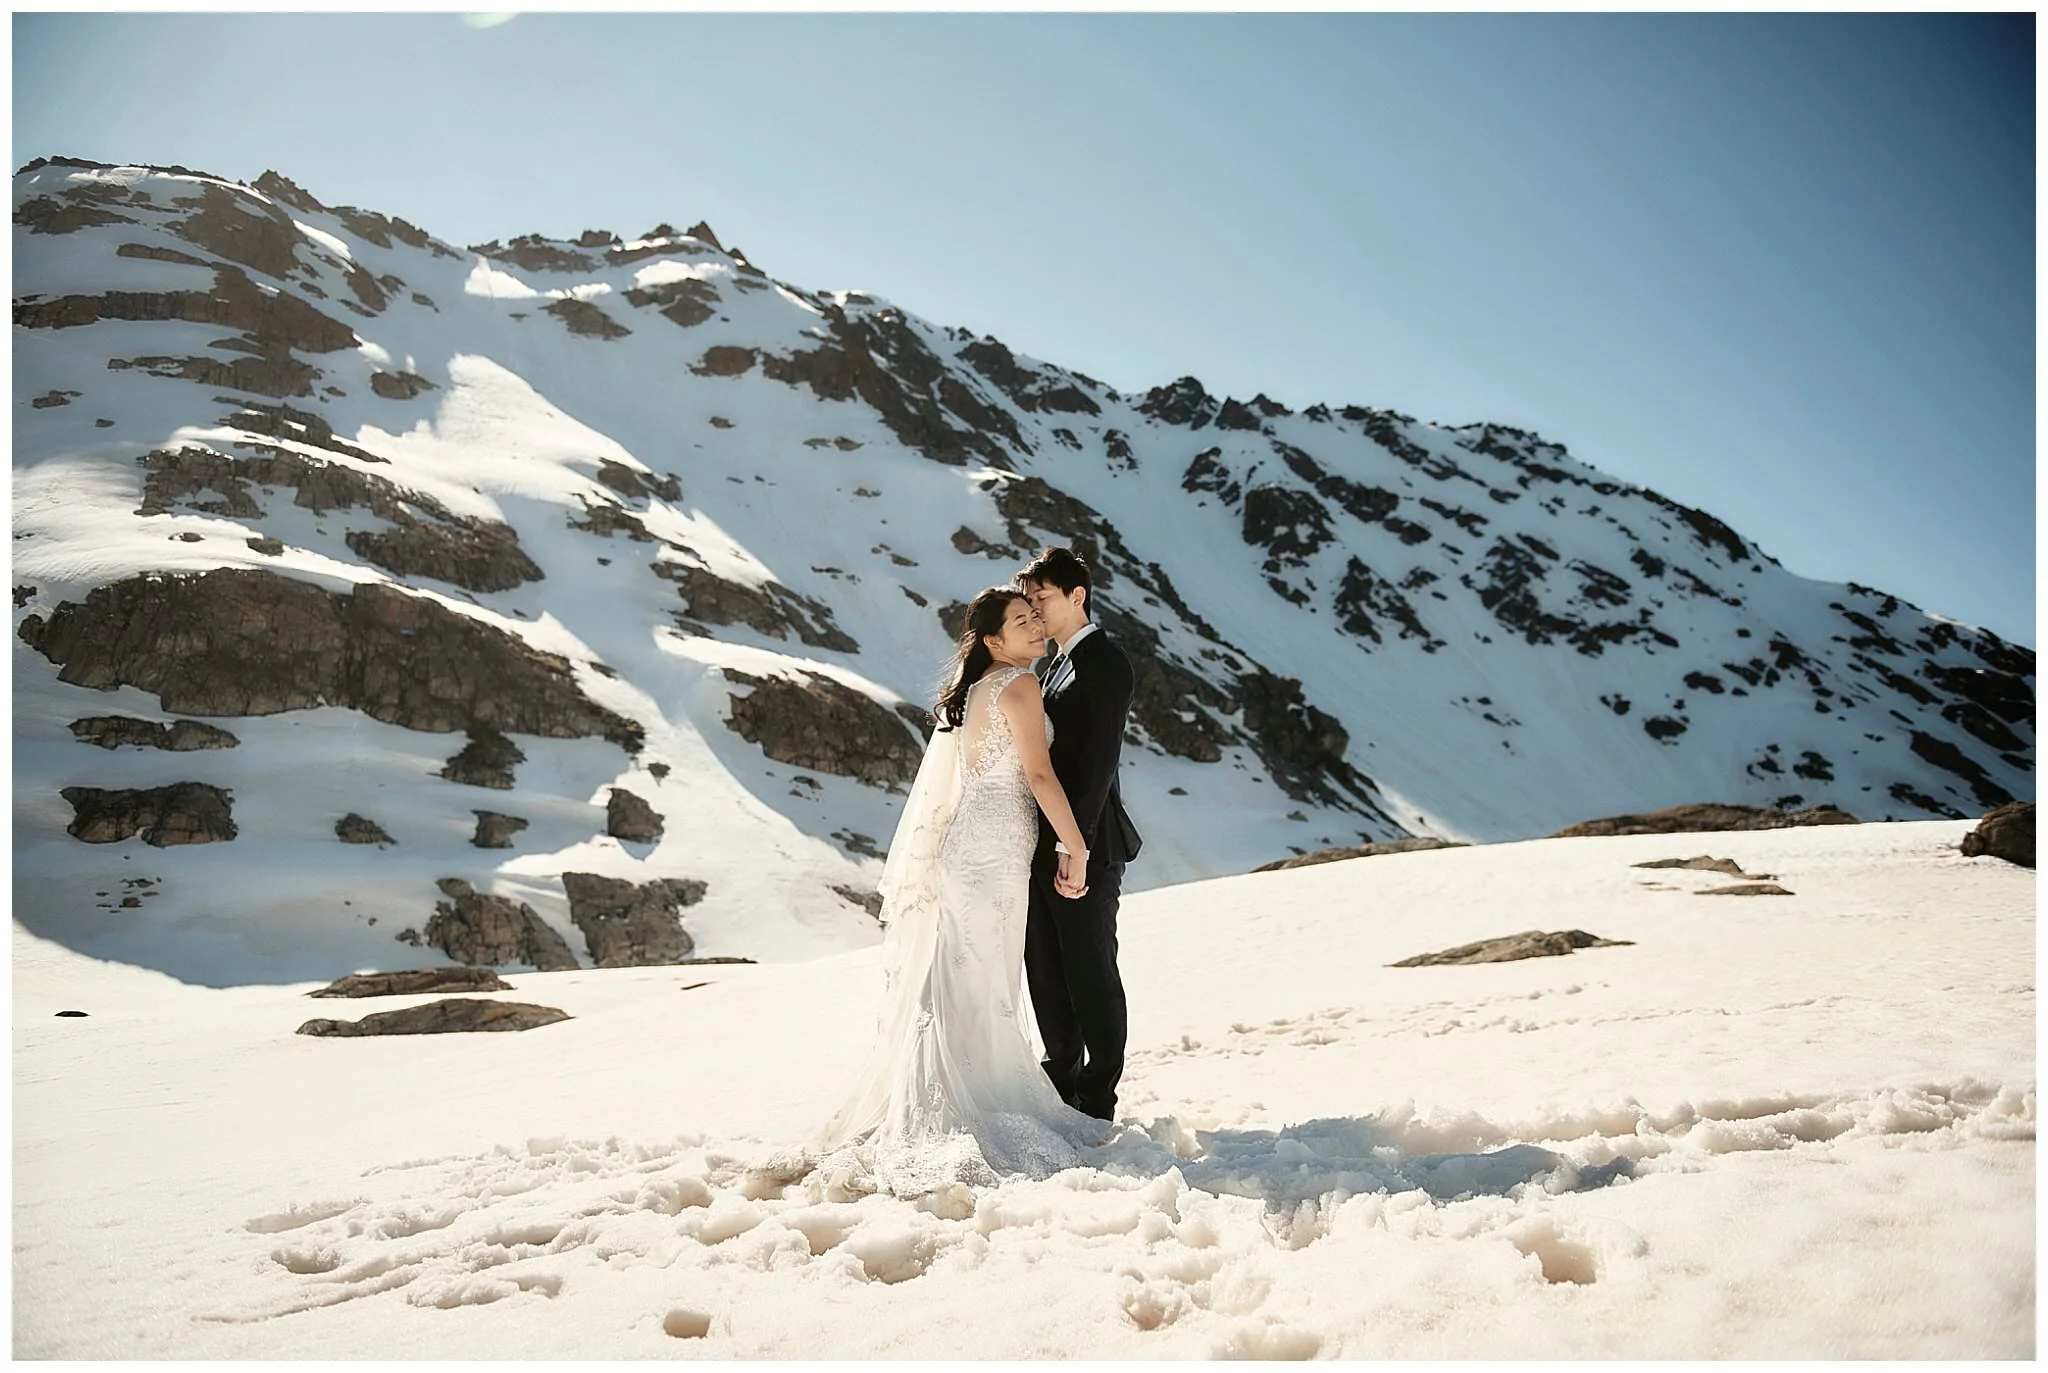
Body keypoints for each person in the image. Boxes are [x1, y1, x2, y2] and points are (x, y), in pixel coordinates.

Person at [810, 587, 1108, 1195]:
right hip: (993, 851)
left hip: (976, 846)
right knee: (981, 982)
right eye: (1021, 621)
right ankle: (969, 1107)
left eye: (1034, 616)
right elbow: (1038, 773)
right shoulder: (1018, 685)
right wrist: (1075, 846)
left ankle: (961, 1096)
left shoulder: (980, 689)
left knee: (965, 980)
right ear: (994, 641)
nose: (1035, 626)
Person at [1017, 547, 1142, 1123]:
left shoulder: (1105, 663)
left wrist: (1076, 848)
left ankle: (1097, 1097)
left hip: (1087, 845)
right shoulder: (1055, 664)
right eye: (1029, 601)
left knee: (1091, 969)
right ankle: (1060, 1080)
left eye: (1042, 598)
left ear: (1077, 596)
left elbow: (1095, 768)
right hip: (1045, 841)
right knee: (1045, 967)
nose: (1034, 611)